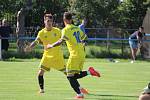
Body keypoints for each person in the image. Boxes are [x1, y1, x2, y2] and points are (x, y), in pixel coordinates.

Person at [46, 12, 101, 99]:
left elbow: (61, 41)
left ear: (64, 20)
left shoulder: (66, 29)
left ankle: (79, 94)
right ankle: (89, 72)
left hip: (74, 55)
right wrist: (82, 44)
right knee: (74, 75)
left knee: (69, 76)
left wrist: (51, 45)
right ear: (71, 19)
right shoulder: (77, 28)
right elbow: (85, 38)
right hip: (82, 54)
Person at [24, 12, 66, 93]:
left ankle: (79, 88)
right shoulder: (41, 32)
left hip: (58, 57)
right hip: (47, 57)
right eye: (47, 21)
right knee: (40, 73)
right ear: (44, 21)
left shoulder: (57, 31)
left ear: (52, 21)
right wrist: (30, 47)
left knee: (68, 73)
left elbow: (64, 39)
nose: (49, 23)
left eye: (50, 21)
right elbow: (36, 41)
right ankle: (41, 89)